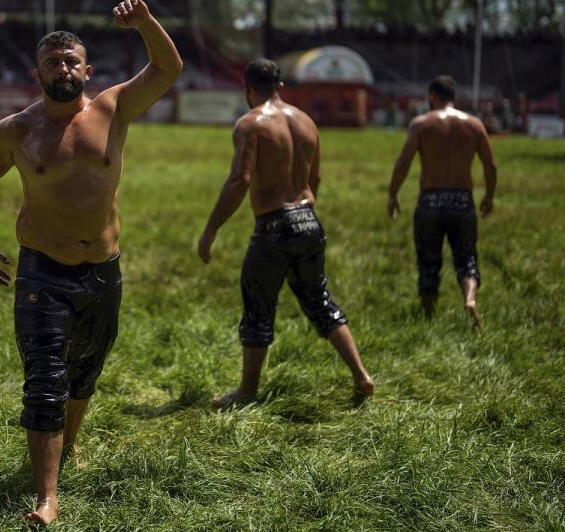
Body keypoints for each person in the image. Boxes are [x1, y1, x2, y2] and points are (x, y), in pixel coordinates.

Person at [0, 0, 182, 527]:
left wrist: (146, 22)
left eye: (71, 62)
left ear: (86, 70)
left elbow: (167, 67)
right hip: (43, 267)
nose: (62, 69)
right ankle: (47, 498)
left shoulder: (113, 108)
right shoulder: (16, 130)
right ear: (36, 72)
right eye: (51, 63)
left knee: (85, 369)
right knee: (45, 376)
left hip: (104, 268)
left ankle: (68, 447)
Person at [197, 59, 373, 407]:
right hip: (308, 218)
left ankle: (247, 392)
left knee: (258, 306)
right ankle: (361, 376)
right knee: (319, 301)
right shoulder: (307, 122)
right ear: (280, 86)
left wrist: (211, 229)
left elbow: (240, 180)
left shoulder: (250, 125)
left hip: (273, 225)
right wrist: (304, 218)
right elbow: (316, 179)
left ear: (248, 89)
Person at [388, 75, 497, 329]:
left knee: (428, 260)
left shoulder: (421, 124)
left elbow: (403, 162)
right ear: (454, 97)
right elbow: (490, 165)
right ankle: (469, 300)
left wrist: (393, 194)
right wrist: (489, 196)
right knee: (466, 257)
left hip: (431, 199)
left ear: (432, 96)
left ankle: (427, 317)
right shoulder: (474, 124)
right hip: (462, 200)